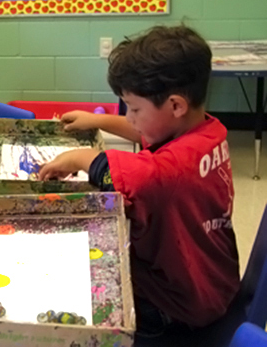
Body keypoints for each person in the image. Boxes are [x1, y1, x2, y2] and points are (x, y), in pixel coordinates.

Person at [39, 26, 240, 337]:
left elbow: (128, 177)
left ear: (175, 105)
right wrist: (98, 120)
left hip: (176, 307)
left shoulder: (167, 172)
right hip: (211, 280)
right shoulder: (207, 131)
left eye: (134, 108)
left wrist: (79, 157)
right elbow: (152, 132)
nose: (130, 117)